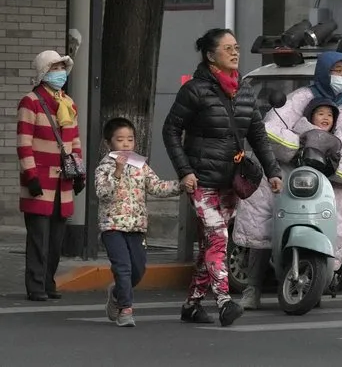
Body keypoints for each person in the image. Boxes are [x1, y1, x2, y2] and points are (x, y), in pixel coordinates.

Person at [234, 51, 342, 310]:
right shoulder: (301, 97)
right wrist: (303, 142)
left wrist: (329, 150)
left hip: (333, 174)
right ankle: (252, 287)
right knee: (265, 205)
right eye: (337, 71)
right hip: (295, 169)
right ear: (324, 71)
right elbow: (272, 128)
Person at [162, 28, 283, 326]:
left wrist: (273, 171)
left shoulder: (242, 88)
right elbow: (171, 130)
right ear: (210, 55)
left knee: (211, 244)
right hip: (201, 180)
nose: (235, 52)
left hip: (232, 180)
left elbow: (257, 133)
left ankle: (192, 305)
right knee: (218, 238)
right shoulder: (194, 90)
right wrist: (185, 170)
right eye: (227, 47)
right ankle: (225, 302)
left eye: (237, 47)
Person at [96, 118, 183, 327]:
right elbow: (102, 193)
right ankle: (126, 310)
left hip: (136, 226)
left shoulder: (140, 165)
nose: (126, 144)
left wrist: (181, 185)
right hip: (113, 226)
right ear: (109, 143)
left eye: (130, 140)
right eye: (120, 140)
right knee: (123, 267)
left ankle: (116, 293)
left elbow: (157, 187)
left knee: (138, 269)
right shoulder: (104, 167)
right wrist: (117, 172)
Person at [17, 50, 85, 302]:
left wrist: (79, 172)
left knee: (56, 239)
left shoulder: (67, 102)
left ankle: (48, 282)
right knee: (38, 238)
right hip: (39, 182)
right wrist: (31, 175)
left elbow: (75, 141)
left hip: (63, 182)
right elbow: (24, 143)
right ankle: (35, 286)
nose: (60, 73)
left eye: (61, 67)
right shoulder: (30, 101)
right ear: (44, 72)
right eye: (55, 68)